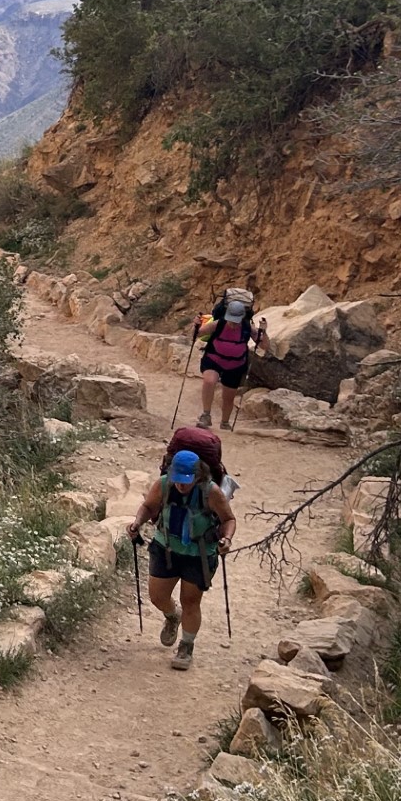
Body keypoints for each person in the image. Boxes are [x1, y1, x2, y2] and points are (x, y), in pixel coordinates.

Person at [127, 448, 236, 670]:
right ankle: (171, 615)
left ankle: (186, 646)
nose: (181, 485)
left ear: (198, 476)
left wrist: (227, 539)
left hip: (199, 554)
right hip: (166, 547)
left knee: (191, 600)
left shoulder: (211, 491)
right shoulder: (163, 484)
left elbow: (228, 519)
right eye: (178, 479)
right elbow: (149, 507)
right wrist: (137, 523)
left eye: (186, 481)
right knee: (157, 596)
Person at [194, 287, 268, 430]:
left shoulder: (247, 327)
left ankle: (225, 422)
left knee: (229, 396)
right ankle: (206, 415)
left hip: (236, 364)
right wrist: (196, 325)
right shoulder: (218, 323)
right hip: (214, 358)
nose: (233, 324)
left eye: (236, 321)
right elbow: (197, 334)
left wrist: (263, 331)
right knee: (209, 381)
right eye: (231, 320)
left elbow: (264, 346)